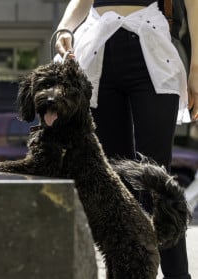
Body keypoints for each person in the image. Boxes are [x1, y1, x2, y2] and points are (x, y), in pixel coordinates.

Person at [54, 0, 197, 278]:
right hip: (97, 51)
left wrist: (196, 69)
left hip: (151, 47)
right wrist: (64, 29)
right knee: (117, 185)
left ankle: (178, 276)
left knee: (158, 180)